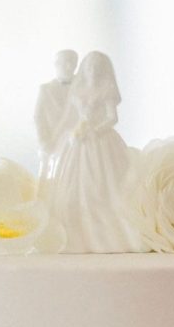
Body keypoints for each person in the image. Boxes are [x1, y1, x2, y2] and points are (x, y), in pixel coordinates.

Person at [51, 51, 145, 252]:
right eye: (89, 67)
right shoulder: (78, 91)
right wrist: (73, 133)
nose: (92, 71)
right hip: (79, 142)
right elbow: (70, 117)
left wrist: (95, 130)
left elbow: (112, 118)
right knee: (76, 186)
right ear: (85, 69)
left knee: (104, 185)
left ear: (103, 70)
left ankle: (108, 233)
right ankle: (77, 233)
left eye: (97, 67)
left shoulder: (106, 89)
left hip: (101, 141)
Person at [34, 49, 78, 182]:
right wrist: (44, 141)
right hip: (54, 140)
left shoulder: (83, 86)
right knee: (49, 182)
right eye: (65, 62)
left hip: (77, 143)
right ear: (56, 64)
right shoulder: (46, 89)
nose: (69, 66)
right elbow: (38, 117)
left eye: (72, 62)